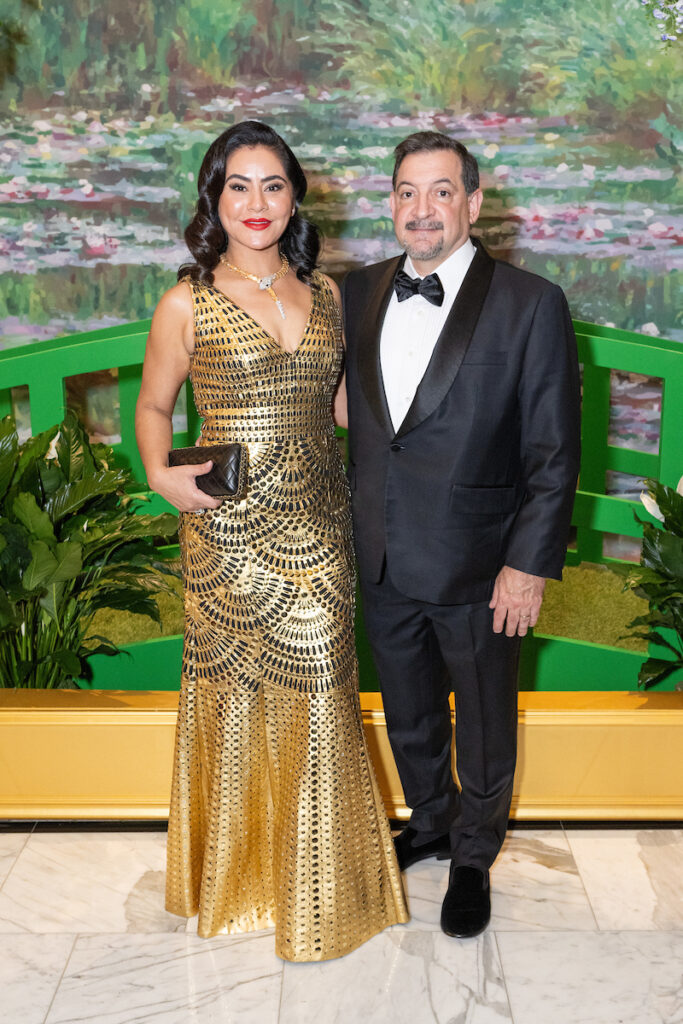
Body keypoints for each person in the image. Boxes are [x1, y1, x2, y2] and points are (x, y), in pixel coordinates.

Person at [135, 120, 407, 962]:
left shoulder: (326, 295)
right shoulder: (187, 300)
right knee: (233, 694)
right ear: (215, 197)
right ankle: (238, 882)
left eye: (274, 185)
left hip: (319, 519)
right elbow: (152, 408)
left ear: (296, 198)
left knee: (323, 686)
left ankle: (323, 897)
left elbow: (335, 407)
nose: (257, 204)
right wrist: (158, 474)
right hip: (226, 524)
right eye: (239, 186)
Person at [341, 131, 581, 939]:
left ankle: (475, 853)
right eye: (407, 191)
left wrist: (527, 565)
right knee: (408, 711)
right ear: (391, 203)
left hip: (481, 563)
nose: (422, 209)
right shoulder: (355, 292)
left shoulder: (530, 302)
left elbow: (553, 450)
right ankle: (432, 821)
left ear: (472, 204)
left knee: (481, 715)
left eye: (441, 192)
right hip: (378, 549)